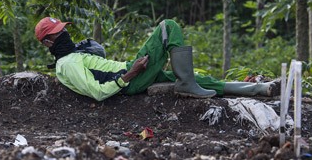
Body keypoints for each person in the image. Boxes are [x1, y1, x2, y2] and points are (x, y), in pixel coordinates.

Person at [35, 17, 280, 101]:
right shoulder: (66, 64)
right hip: (130, 79)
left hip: (130, 73)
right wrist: (130, 74)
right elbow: (97, 92)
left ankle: (261, 89)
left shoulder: (75, 55)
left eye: (64, 30)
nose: (65, 34)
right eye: (59, 34)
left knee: (200, 78)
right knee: (167, 27)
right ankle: (186, 85)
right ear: (48, 43)